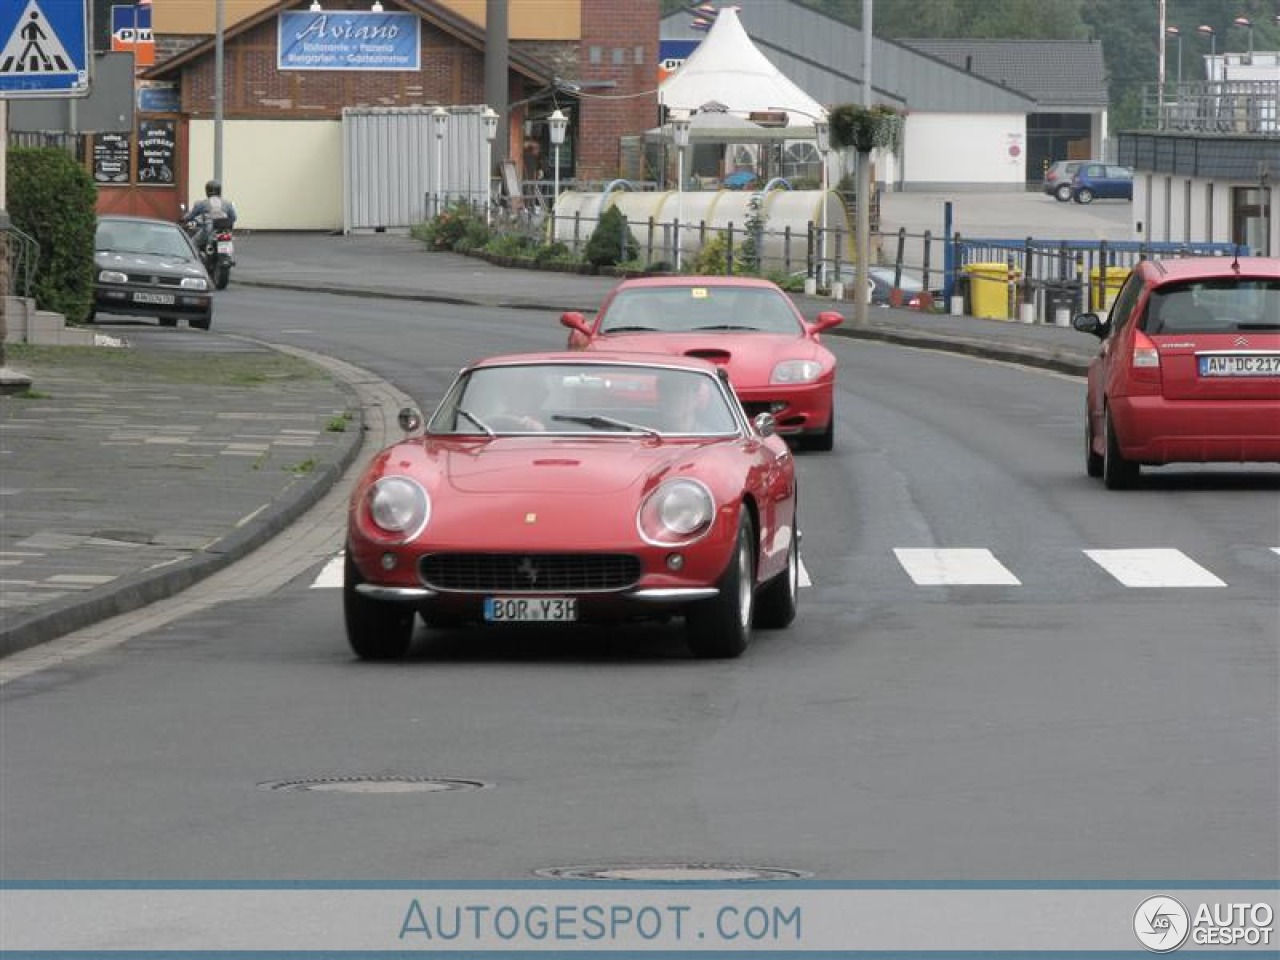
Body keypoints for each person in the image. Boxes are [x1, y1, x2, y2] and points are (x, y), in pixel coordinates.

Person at [181, 179, 237, 249]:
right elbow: (234, 218)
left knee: (191, 244)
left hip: (208, 232)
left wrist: (184, 218)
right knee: (227, 247)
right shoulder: (228, 204)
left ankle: (196, 258)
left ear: (207, 191)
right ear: (219, 190)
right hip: (224, 233)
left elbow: (191, 216)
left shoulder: (201, 203)